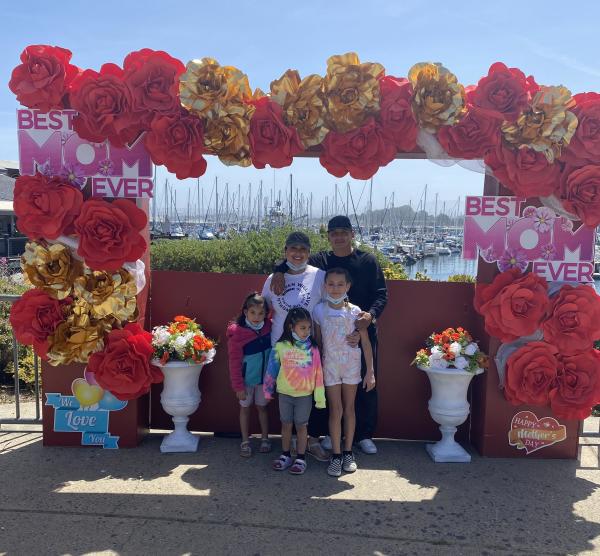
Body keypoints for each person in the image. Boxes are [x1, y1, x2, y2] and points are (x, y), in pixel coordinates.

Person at [271, 216, 387, 454]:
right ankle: (326, 433)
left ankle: (363, 435)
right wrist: (278, 271)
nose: (339, 237)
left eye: (344, 232)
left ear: (352, 234)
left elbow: (381, 294)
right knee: (324, 386)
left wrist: (371, 317)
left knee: (366, 383)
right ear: (328, 237)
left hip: (361, 332)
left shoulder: (368, 260)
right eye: (334, 233)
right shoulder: (320, 260)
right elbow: (296, 261)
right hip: (329, 336)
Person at [261, 231, 330, 462]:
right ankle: (288, 445)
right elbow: (262, 308)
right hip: (280, 349)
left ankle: (309, 441)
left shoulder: (319, 276)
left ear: (309, 253)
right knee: (284, 398)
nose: (297, 253)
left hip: (308, 352)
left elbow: (330, 305)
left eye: (303, 249)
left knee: (307, 397)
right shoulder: (273, 279)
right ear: (285, 252)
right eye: (293, 249)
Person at [313, 268, 375, 476]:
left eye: (340, 284)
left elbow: (366, 344)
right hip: (329, 366)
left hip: (351, 365)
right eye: (331, 284)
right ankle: (336, 455)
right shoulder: (318, 311)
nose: (336, 288)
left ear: (348, 286)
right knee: (335, 410)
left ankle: (348, 451)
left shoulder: (356, 312)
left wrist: (370, 372)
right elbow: (319, 343)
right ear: (325, 286)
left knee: (349, 409)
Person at [263, 308, 325, 475]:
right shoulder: (281, 346)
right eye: (302, 328)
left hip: (305, 395)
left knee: (302, 426)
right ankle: (285, 455)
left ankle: (301, 458)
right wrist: (268, 391)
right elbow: (272, 369)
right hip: (285, 394)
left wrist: (320, 398)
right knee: (286, 424)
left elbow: (318, 373)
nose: (307, 332)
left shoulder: (313, 348)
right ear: (292, 327)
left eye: (309, 328)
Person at [226, 293, 273, 458]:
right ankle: (245, 441)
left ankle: (265, 439)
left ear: (266, 314)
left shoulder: (269, 327)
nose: (256, 317)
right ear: (245, 312)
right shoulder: (237, 333)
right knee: (245, 409)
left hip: (264, 382)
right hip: (246, 382)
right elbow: (234, 363)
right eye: (253, 312)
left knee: (262, 408)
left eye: (261, 313)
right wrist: (238, 386)